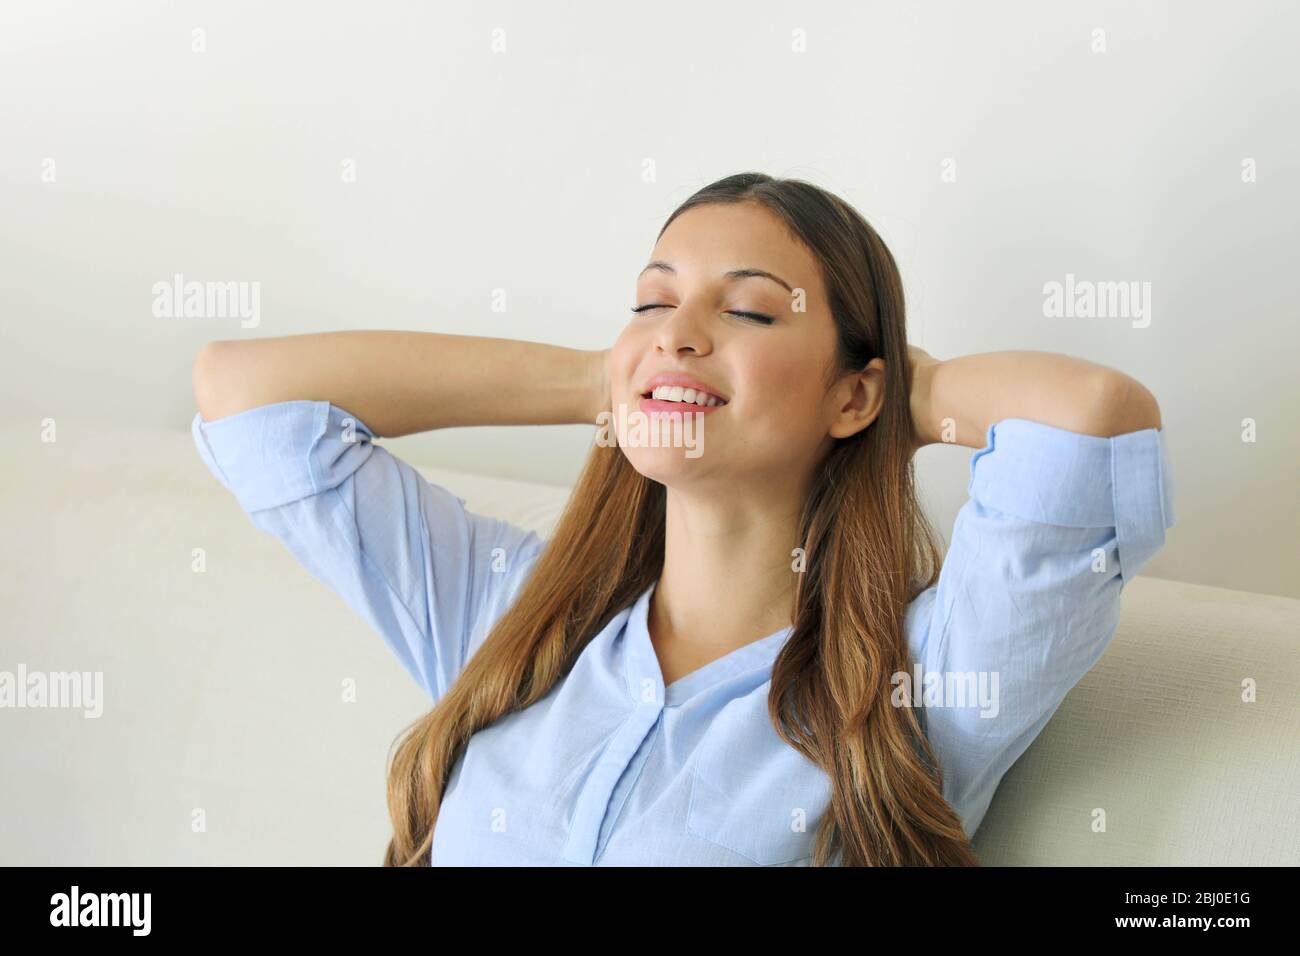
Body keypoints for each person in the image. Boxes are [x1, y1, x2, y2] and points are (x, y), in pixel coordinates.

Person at [190, 172, 1174, 866]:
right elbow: (247, 397)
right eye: (651, 302)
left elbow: (1087, 419)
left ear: (853, 394)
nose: (678, 331)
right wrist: (612, 381)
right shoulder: (517, 621)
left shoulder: (922, 680)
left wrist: (891, 398)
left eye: (748, 312)